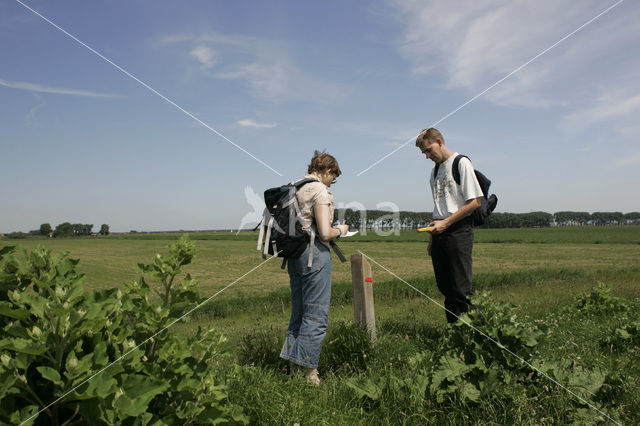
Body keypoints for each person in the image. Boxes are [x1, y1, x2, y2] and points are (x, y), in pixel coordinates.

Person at [279, 150, 349, 385]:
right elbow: (326, 233)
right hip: (314, 255)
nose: (332, 182)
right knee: (316, 315)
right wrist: (342, 230)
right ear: (328, 171)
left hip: (294, 255)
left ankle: (293, 368)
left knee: (298, 314)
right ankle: (310, 373)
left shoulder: (295, 185)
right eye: (334, 178)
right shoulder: (319, 190)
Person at [415, 128, 483, 323]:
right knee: (445, 288)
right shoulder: (434, 171)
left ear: (439, 141)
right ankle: (455, 332)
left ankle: (478, 334)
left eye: (428, 150)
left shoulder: (461, 163)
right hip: (439, 233)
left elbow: (474, 202)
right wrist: (431, 239)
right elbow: (439, 208)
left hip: (459, 230)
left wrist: (446, 223)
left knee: (461, 289)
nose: (427, 156)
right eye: (424, 153)